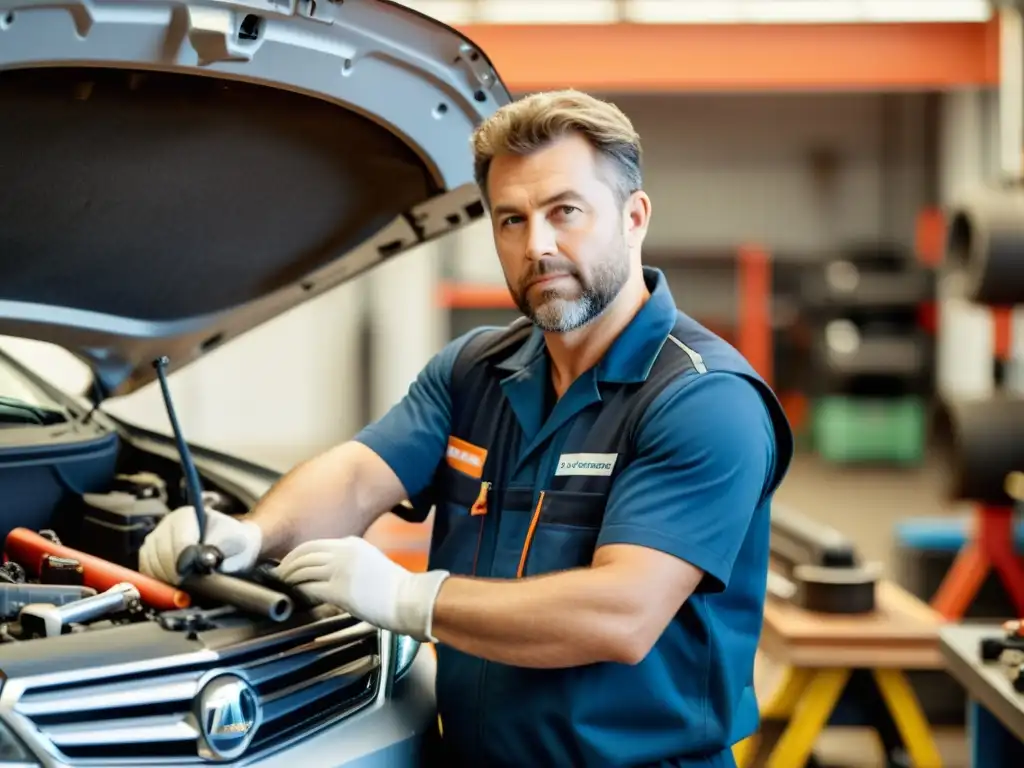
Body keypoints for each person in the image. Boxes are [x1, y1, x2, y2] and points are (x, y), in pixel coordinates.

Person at [139, 89, 794, 768]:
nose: (537, 246)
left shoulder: (703, 400)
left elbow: (621, 614)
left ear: (634, 217)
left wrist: (409, 596)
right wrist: (249, 534)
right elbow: (361, 473)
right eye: (511, 220)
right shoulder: (478, 369)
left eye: (565, 211)